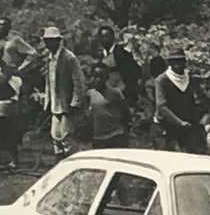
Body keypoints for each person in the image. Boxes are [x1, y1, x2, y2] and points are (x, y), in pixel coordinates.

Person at [38, 25, 87, 158]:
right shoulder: (50, 59)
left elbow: (78, 82)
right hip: (55, 105)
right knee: (56, 137)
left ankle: (74, 163)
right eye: (47, 40)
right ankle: (59, 164)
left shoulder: (69, 58)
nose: (50, 43)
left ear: (59, 40)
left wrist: (75, 103)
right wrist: (47, 103)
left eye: (53, 40)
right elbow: (49, 83)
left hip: (67, 105)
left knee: (67, 138)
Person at [153, 42, 207, 153]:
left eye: (180, 60)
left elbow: (196, 102)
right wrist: (179, 122)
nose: (177, 64)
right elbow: (161, 106)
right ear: (169, 63)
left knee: (191, 154)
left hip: (186, 126)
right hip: (166, 125)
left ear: (185, 62)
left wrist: (199, 120)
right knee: (166, 156)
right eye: (174, 61)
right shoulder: (162, 80)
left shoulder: (190, 79)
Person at [86, 61, 131, 148]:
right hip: (99, 137)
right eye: (95, 76)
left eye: (101, 76)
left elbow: (125, 111)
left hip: (115, 135)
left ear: (106, 77)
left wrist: (126, 128)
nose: (98, 79)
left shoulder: (115, 92)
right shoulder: (89, 94)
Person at [94, 23, 141, 105]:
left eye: (106, 37)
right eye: (102, 37)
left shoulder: (122, 53)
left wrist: (129, 91)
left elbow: (134, 72)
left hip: (122, 93)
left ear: (112, 37)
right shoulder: (100, 54)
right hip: (105, 93)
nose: (104, 40)